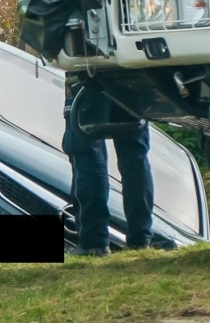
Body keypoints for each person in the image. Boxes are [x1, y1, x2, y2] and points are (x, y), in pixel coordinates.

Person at [62, 77, 153, 256]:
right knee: (135, 155)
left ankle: (93, 243)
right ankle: (141, 241)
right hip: (135, 70)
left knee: (86, 151)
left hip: (90, 68)